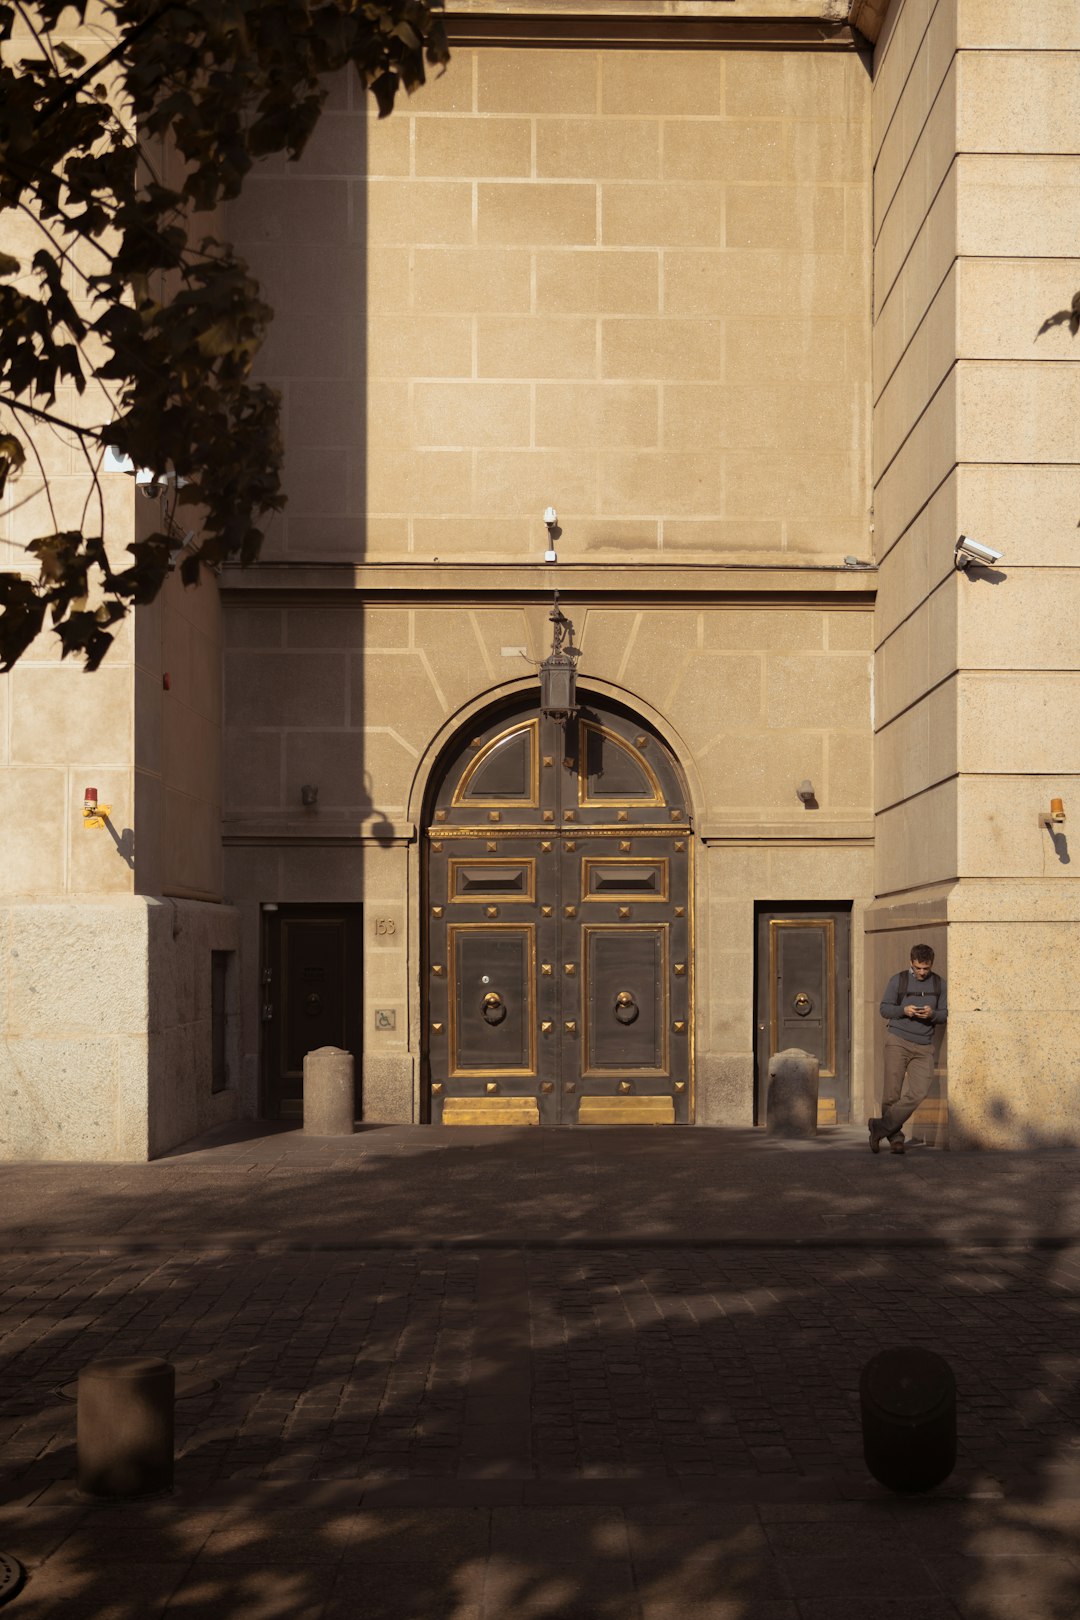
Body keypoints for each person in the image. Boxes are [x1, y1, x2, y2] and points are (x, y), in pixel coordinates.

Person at [868, 944, 947, 1155]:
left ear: (931, 965)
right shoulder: (898, 980)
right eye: (918, 968)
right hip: (898, 1041)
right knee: (891, 1093)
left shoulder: (939, 983)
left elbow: (945, 1014)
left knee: (919, 1092)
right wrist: (904, 1010)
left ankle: (879, 1127)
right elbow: (884, 1009)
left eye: (926, 969)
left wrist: (932, 1014)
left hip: (924, 1046)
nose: (922, 973)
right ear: (911, 962)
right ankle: (896, 1138)